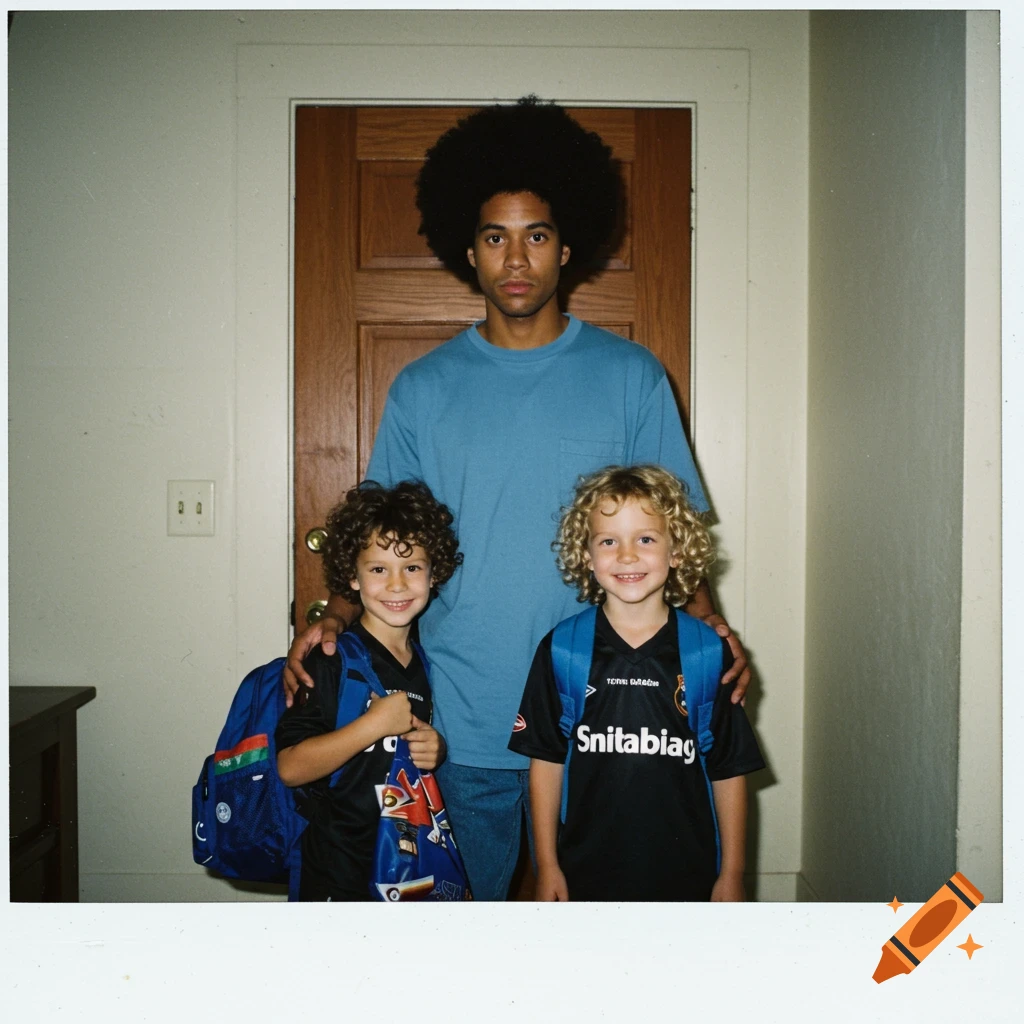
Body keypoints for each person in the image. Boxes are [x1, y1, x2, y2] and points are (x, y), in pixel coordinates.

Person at [285, 97, 751, 901]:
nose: (516, 258)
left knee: (602, 939)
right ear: (468, 251)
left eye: (535, 235)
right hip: (464, 723)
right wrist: (334, 616)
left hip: (612, 724)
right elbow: (382, 540)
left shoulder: (631, 377)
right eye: (495, 237)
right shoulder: (423, 389)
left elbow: (670, 536)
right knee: (462, 937)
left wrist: (710, 626)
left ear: (566, 247)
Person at [510, 465, 764, 901]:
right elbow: (546, 764)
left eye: (645, 539)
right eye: (609, 541)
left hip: (687, 877)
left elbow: (729, 772)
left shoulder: (706, 653)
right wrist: (547, 866)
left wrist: (733, 874)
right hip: (585, 875)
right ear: (586, 555)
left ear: (676, 550)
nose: (627, 556)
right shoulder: (563, 649)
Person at [275, 480, 463, 901]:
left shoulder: (426, 664)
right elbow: (290, 767)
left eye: (412, 567)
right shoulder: (332, 659)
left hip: (403, 866)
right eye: (378, 569)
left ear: (434, 573)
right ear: (353, 577)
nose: (397, 584)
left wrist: (435, 750)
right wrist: (374, 725)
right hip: (336, 868)